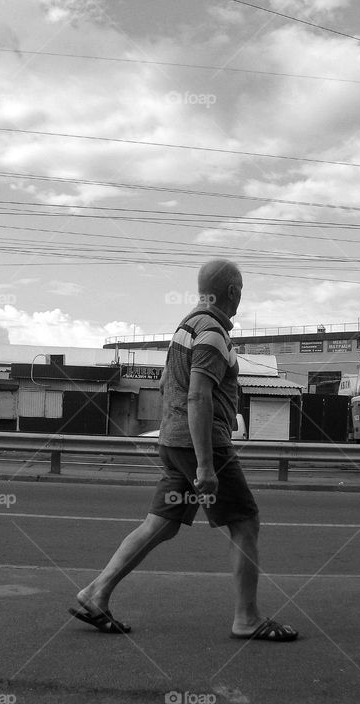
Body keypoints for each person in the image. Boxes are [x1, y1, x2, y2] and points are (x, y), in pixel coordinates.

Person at [69, 259, 298, 642]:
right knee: (244, 523)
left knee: (162, 522)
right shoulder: (211, 332)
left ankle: (96, 592)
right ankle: (247, 618)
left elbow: (166, 386)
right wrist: (206, 465)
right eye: (240, 289)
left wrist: (176, 440)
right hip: (202, 444)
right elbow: (198, 395)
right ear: (232, 291)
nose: (241, 296)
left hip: (175, 441)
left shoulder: (185, 329)